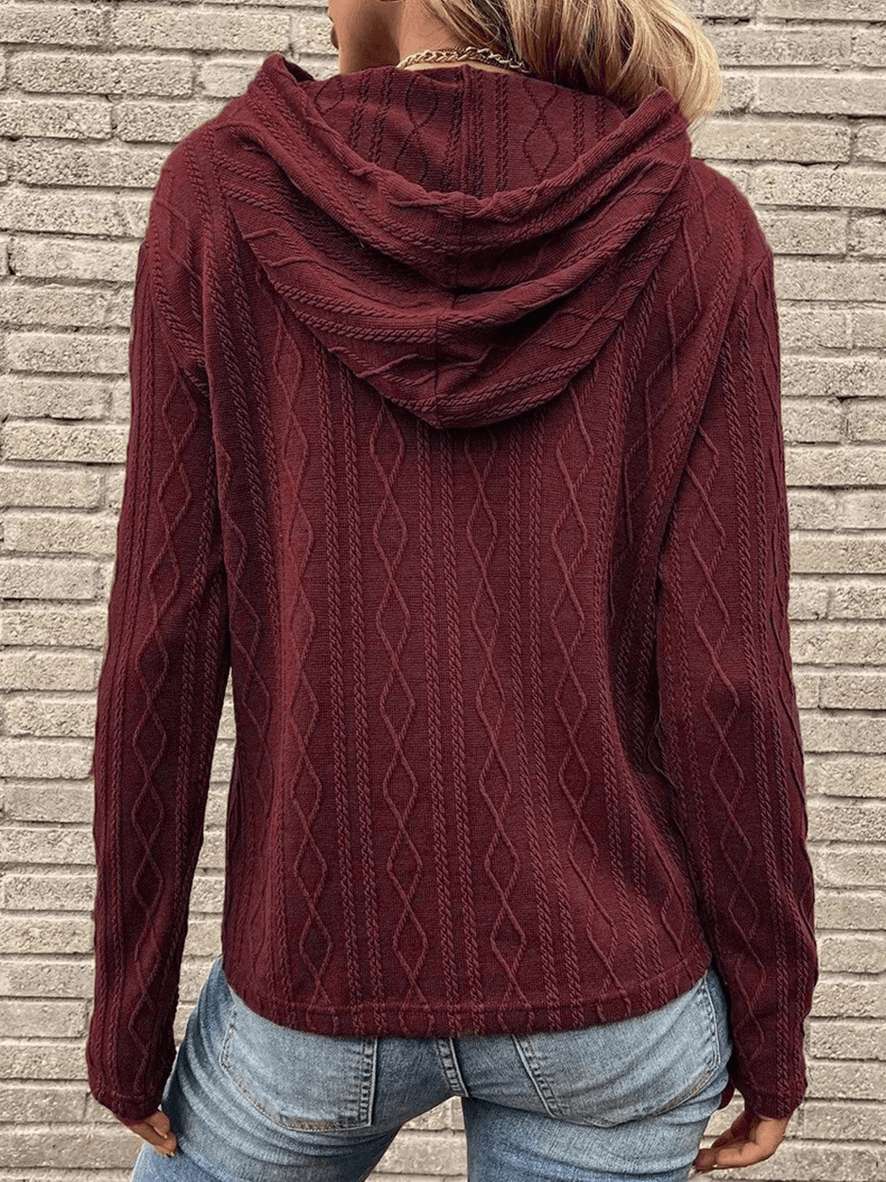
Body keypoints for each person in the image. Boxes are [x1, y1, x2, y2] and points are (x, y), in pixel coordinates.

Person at [85, 1, 819, 1179]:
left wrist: (128, 1016)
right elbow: (729, 678)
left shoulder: (218, 199)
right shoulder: (698, 228)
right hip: (611, 996)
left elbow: (160, 648)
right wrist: (773, 1026)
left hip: (314, 978)